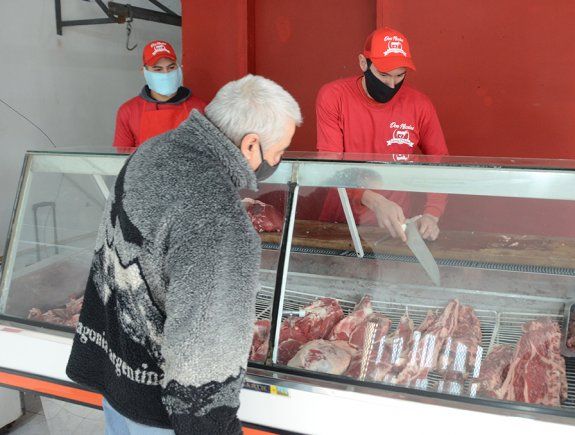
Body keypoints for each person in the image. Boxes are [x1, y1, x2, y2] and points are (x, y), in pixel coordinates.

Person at [66, 75, 302, 434]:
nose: (278, 159)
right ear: (251, 144)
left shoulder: (152, 150)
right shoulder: (217, 217)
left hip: (117, 382)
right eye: (280, 150)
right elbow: (204, 347)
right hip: (160, 414)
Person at [315, 27, 448, 241]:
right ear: (362, 63)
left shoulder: (419, 105)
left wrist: (432, 214)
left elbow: (440, 163)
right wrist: (375, 201)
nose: (391, 84)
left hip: (394, 229)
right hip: (340, 223)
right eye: (383, 75)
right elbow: (329, 167)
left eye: (400, 75)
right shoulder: (334, 97)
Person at [113, 40, 207, 149]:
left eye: (171, 67)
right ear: (144, 72)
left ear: (179, 68)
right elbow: (121, 158)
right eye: (158, 69)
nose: (166, 74)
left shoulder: (201, 108)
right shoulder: (128, 111)